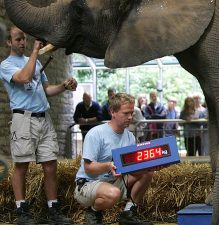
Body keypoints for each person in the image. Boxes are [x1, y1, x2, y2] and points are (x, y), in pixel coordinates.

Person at [0, 26, 75, 225]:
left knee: (50, 164)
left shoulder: (34, 61)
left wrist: (64, 86)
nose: (23, 43)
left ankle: (53, 209)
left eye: (24, 39)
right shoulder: (6, 65)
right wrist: (34, 52)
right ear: (9, 42)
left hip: (44, 118)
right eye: (18, 40)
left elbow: (46, 90)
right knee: (22, 165)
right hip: (23, 120)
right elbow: (24, 78)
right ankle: (22, 211)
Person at [74, 93, 154, 225]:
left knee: (147, 172)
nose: (130, 117)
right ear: (113, 112)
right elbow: (88, 168)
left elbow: (131, 168)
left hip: (114, 181)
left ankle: (128, 213)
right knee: (114, 193)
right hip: (88, 184)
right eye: (126, 113)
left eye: (131, 113)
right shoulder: (96, 133)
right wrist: (108, 166)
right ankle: (93, 211)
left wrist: (149, 166)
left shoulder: (130, 137)